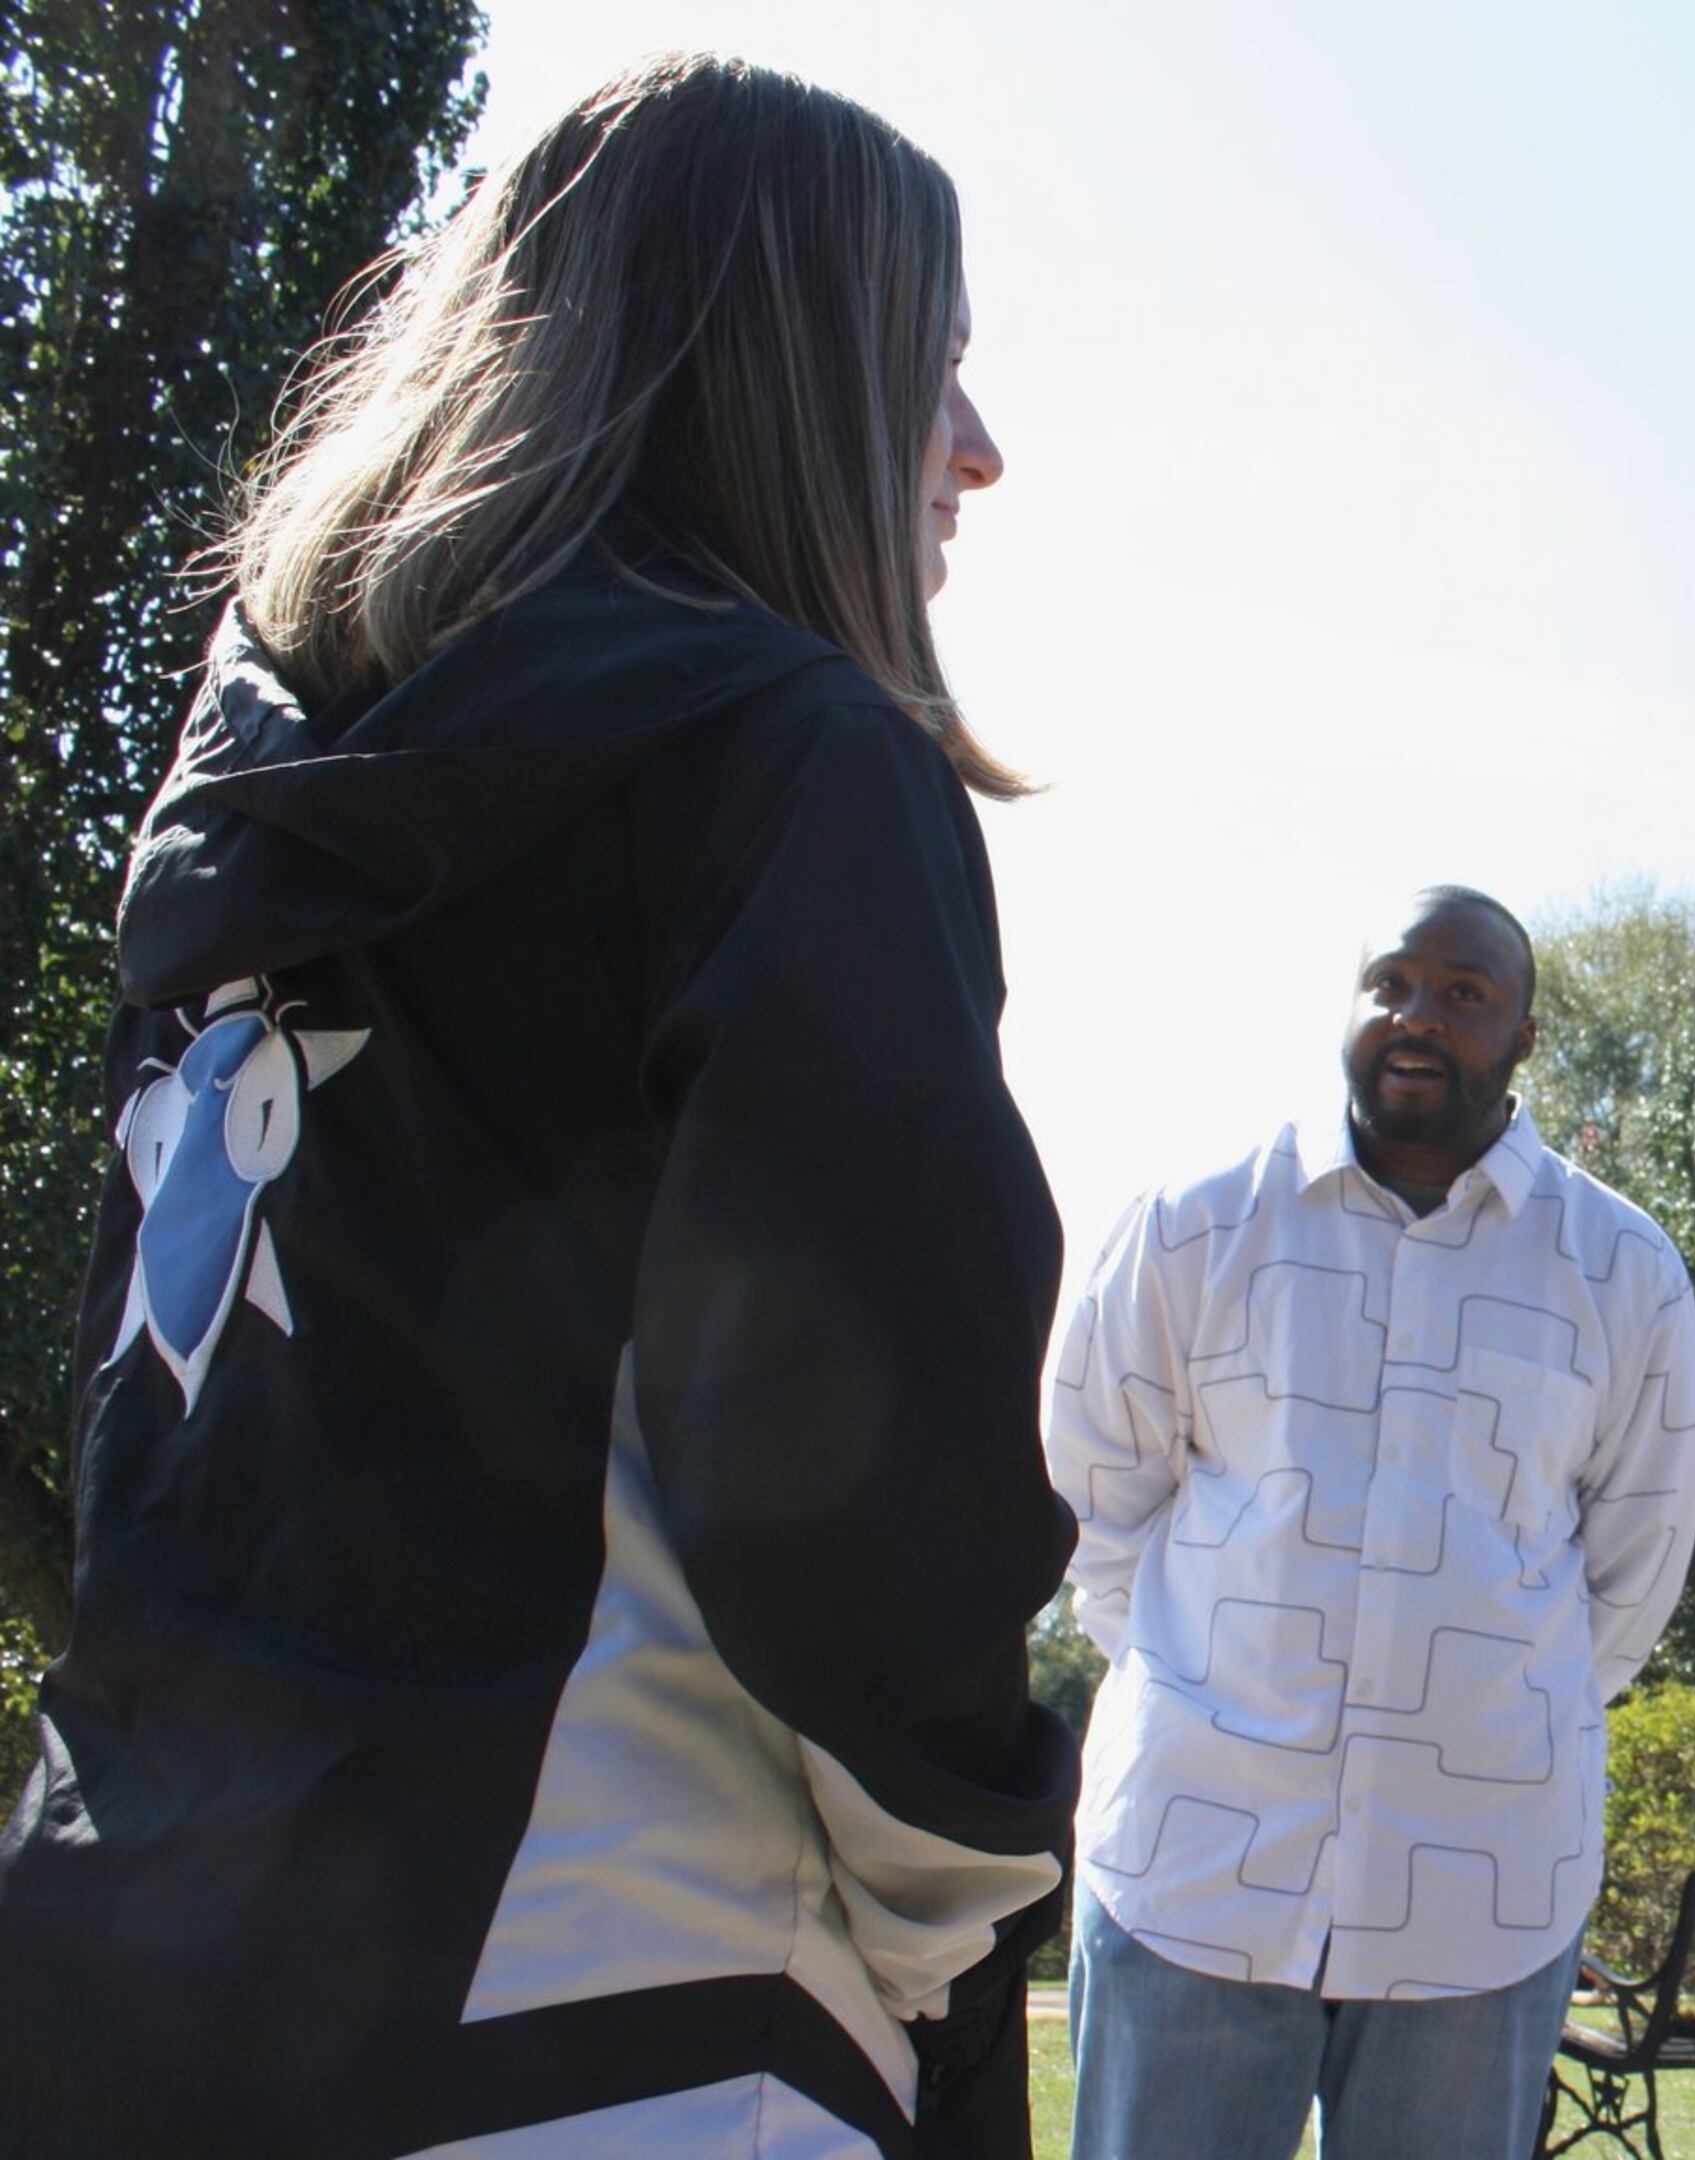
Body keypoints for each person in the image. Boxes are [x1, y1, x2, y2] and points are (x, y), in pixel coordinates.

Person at [0, 55, 1075, 2159]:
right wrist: (967, 1889)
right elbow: (869, 1508)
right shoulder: (798, 759)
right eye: (929, 364)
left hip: (121, 1987)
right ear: (779, 373)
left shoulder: (223, 817)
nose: (977, 447)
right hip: (606, 2013)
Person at [1042, 886, 1695, 2160]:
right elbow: (1091, 1497)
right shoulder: (1196, 1223)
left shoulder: (1621, 1271)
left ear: (1523, 1036)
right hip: (1196, 1860)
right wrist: (1214, 1689)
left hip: (1480, 1893)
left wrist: (1479, 1718)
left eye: (1465, 994)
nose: (1418, 1016)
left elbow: (1634, 1571)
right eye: (1391, 984)